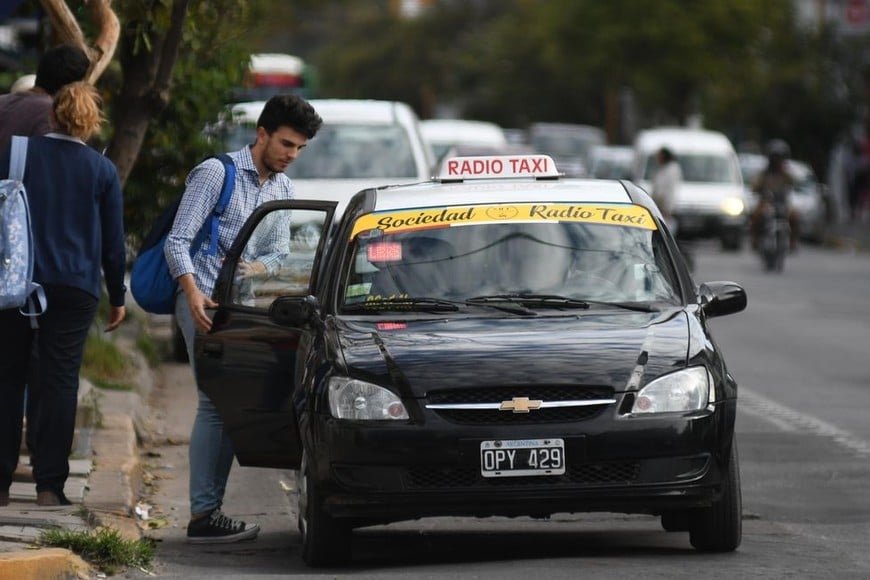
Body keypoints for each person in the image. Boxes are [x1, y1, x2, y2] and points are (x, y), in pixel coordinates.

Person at [164, 93, 322, 543]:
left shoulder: (283, 189)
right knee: (215, 402)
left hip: (242, 305)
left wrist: (260, 269)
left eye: (299, 149)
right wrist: (192, 294)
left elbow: (279, 253)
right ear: (263, 134)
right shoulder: (218, 174)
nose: (292, 155)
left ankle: (207, 513)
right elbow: (177, 243)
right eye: (287, 144)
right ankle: (204, 514)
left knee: (230, 402)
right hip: (202, 301)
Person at [0, 81, 127, 507]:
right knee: (58, 382)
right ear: (91, 124)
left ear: (51, 114)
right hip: (75, 287)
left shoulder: (17, 153)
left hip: (14, 283)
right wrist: (118, 295)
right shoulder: (101, 170)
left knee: (6, 377)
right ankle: (49, 486)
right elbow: (113, 242)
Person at [0, 43, 91, 473]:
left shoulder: (5, 105)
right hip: (36, 264)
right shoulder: (47, 120)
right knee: (44, 370)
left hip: (5, 261)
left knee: (7, 369)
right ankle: (42, 468)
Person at [750, 139, 799, 250]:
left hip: (782, 203)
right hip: (766, 203)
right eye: (775, 157)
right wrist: (757, 189)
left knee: (795, 216)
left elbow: (795, 183)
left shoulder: (786, 174)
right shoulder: (764, 174)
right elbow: (755, 186)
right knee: (755, 215)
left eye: (779, 157)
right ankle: (755, 240)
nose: (777, 160)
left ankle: (792, 242)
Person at [651, 146, 693, 270]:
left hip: (666, 209)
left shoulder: (672, 170)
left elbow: (670, 191)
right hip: (660, 208)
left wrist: (668, 209)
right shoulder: (663, 169)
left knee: (668, 238)